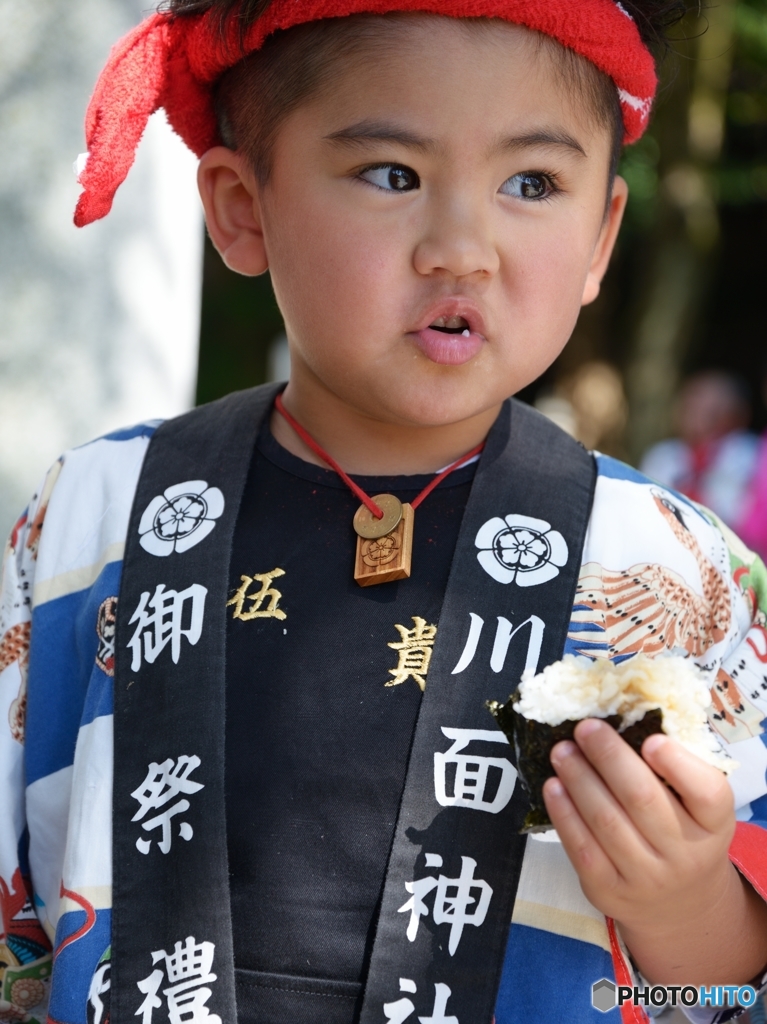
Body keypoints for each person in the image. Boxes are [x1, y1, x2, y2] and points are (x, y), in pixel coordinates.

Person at [1, 3, 767, 1023]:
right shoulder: (95, 515)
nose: (462, 247)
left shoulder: (672, 565)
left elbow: (727, 984)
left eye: (530, 184)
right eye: (391, 174)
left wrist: (678, 896)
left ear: (599, 238)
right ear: (240, 207)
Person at [640, 370, 759, 528]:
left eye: (709, 406)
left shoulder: (752, 454)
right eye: (690, 401)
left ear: (737, 413)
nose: (695, 405)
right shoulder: (662, 456)